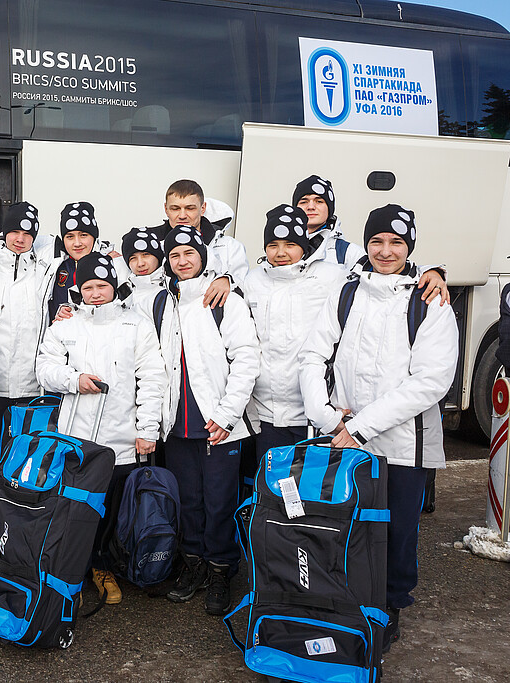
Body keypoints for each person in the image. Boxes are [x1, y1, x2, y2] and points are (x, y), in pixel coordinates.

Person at [298, 204, 458, 653]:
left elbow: (431, 380)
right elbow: (313, 356)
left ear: (410, 247)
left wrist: (362, 426)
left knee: (396, 532)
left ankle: (388, 609)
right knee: (345, 526)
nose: (385, 251)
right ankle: (348, 602)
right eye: (376, 241)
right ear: (365, 243)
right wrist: (331, 418)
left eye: (396, 243)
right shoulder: (347, 292)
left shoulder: (429, 301)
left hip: (404, 447)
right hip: (346, 438)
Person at [36, 252, 166, 606]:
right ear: (78, 289)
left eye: (103, 286)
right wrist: (73, 379)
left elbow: (152, 379)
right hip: (76, 440)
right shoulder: (66, 325)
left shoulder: (135, 325)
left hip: (121, 439)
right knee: (75, 510)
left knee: (111, 511)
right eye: (89, 287)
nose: (96, 293)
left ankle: (104, 567)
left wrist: (147, 429)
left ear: (114, 287)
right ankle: (72, 572)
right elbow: (43, 368)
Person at [159, 225, 260, 617]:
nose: (182, 261)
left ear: (203, 256)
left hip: (219, 420)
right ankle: (194, 562)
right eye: (175, 256)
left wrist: (227, 414)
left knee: (220, 500)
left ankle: (221, 568)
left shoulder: (224, 300)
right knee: (190, 500)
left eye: (189, 253)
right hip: (178, 422)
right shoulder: (164, 302)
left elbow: (247, 359)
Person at [243, 204, 348, 458]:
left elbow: (376, 278)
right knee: (274, 490)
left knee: (314, 492)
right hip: (268, 414)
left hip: (315, 412)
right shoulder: (252, 281)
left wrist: (430, 272)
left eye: (290, 244)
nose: (281, 253)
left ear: (303, 244)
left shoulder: (332, 277)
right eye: (273, 245)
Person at [0, 201, 57, 506]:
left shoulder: (44, 265)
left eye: (27, 232)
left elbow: (86, 245)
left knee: (26, 450)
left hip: (31, 381)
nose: (20, 238)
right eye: (14, 231)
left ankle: (20, 507)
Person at [292, 174, 449, 305]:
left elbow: (388, 268)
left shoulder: (346, 252)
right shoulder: (279, 249)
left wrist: (431, 272)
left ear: (329, 208)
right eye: (303, 201)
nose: (311, 207)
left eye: (319, 201)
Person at [45, 202, 128, 323]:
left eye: (83, 235)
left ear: (94, 237)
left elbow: (126, 307)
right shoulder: (53, 265)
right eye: (70, 236)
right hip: (60, 338)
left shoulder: (113, 265)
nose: (77, 243)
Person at [120, 227, 167, 314]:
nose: (140, 264)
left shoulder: (173, 287)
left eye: (146, 255)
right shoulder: (122, 295)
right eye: (133, 258)